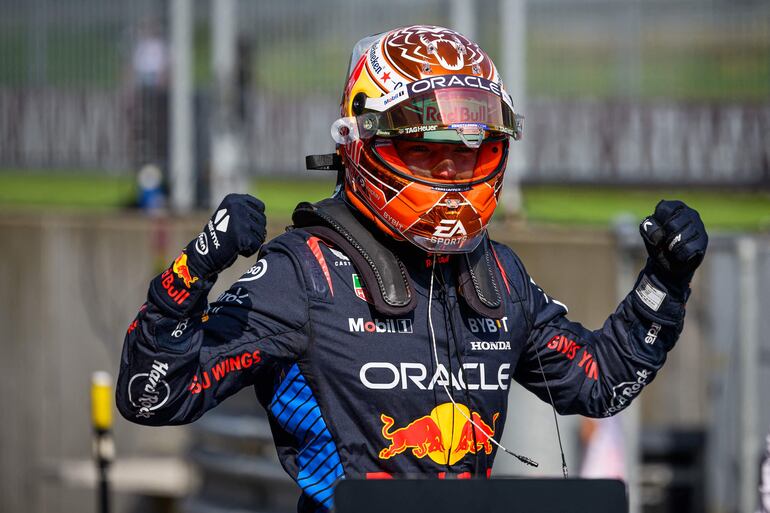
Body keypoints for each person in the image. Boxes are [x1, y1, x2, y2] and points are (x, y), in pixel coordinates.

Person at [116, 25, 708, 512]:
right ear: (360, 146)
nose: (451, 172)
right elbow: (152, 399)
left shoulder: (497, 274)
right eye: (425, 150)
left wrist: (664, 283)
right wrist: (191, 273)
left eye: (469, 151)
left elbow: (599, 383)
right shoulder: (302, 273)